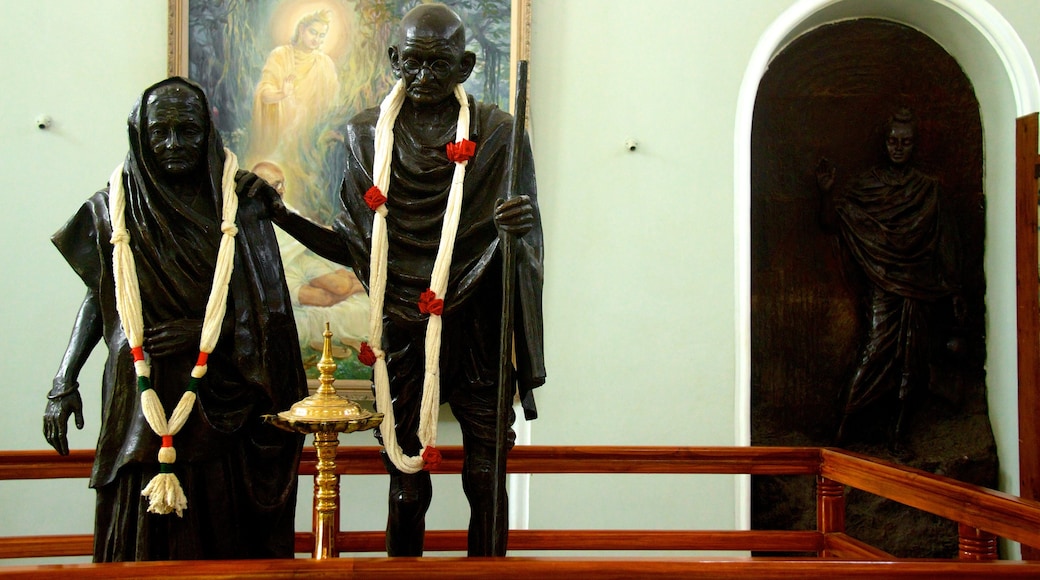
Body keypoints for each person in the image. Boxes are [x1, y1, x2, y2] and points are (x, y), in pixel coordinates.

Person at [268, 3, 545, 557]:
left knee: (487, 473)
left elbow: (525, 235)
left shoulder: (496, 133)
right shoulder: (364, 134)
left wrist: (518, 228)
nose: (424, 77)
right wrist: (278, 213)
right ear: (394, 59)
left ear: (465, 66)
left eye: (440, 65)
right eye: (413, 63)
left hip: (480, 317)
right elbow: (353, 242)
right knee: (406, 480)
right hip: (400, 321)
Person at [43, 77, 307, 562]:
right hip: (139, 394)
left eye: (187, 131)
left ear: (207, 133)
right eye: (159, 132)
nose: (173, 145)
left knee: (221, 528)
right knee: (137, 530)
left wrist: (206, 333)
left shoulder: (240, 204)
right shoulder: (113, 208)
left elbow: (267, 306)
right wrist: (63, 381)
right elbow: (100, 294)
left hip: (220, 393)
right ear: (139, 134)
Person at [817, 108, 963, 447]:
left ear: (914, 146)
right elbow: (831, 223)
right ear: (885, 142)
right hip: (884, 286)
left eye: (906, 142)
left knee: (913, 360)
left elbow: (946, 244)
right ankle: (843, 427)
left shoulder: (928, 190)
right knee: (875, 351)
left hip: (920, 289)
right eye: (894, 141)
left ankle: (898, 434)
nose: (898, 147)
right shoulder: (867, 187)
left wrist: (955, 291)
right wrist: (826, 192)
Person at [252, 161, 370, 349]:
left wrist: (348, 234)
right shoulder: (248, 215)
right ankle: (359, 286)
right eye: (275, 185)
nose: (281, 190)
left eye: (282, 183)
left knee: (341, 285)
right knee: (324, 298)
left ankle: (365, 286)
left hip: (301, 261)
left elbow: (312, 230)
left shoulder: (284, 207)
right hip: (279, 274)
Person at [250, 9, 340, 168]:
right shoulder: (280, 56)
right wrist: (281, 94)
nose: (316, 39)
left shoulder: (325, 64)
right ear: (301, 29)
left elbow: (332, 105)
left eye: (321, 35)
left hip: (310, 140)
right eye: (313, 32)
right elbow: (264, 93)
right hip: (281, 138)